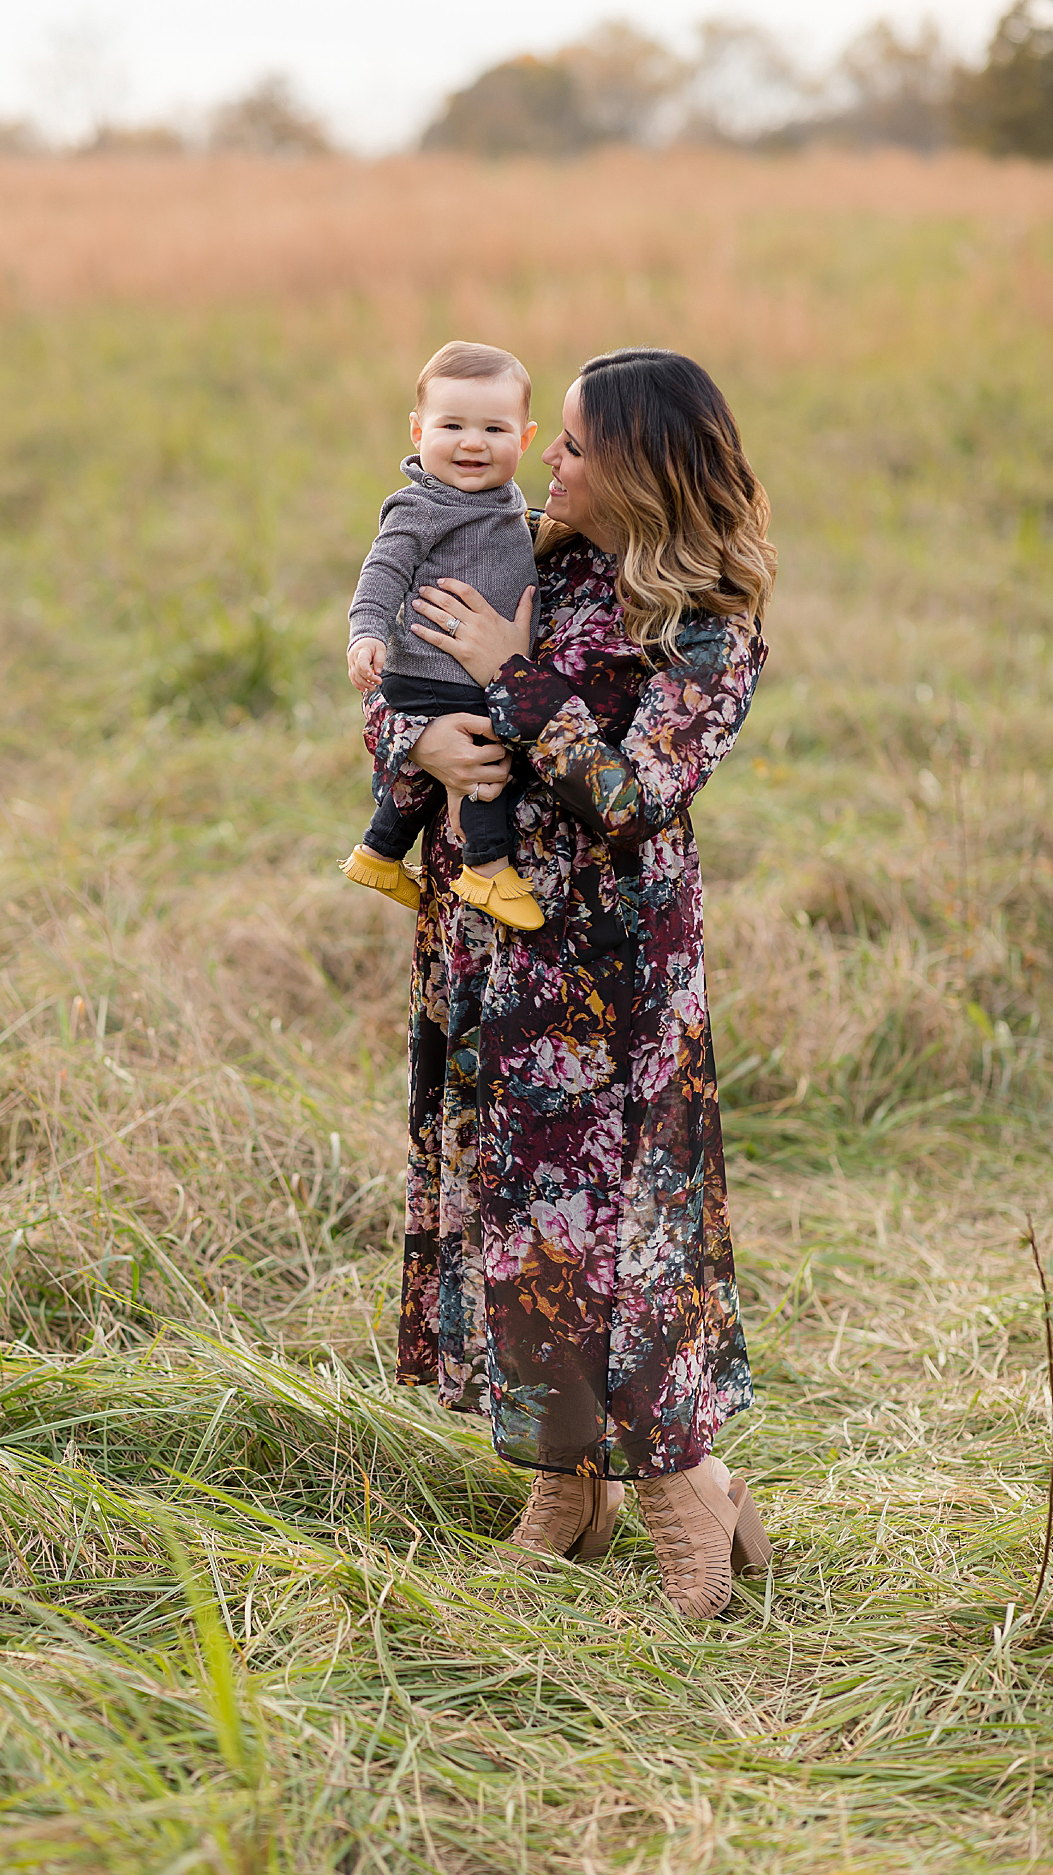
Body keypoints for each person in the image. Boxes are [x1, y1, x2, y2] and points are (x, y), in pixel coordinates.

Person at [373, 347, 777, 1621]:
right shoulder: (521, 560)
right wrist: (410, 735)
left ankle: (683, 1494)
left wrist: (510, 674)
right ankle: (566, 1488)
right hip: (487, 954)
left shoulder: (708, 625)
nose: (548, 458)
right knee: (518, 1226)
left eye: (576, 446)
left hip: (611, 991)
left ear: (639, 470)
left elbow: (626, 797)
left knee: (617, 1239)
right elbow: (403, 669)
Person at [341, 340, 545, 934]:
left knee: (430, 774)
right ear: (416, 431)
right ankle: (486, 867)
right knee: (485, 760)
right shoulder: (422, 505)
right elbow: (382, 572)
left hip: (464, 669)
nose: (472, 442)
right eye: (451, 424)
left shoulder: (507, 500)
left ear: (526, 439)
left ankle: (379, 854)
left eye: (493, 428)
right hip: (436, 671)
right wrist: (367, 634)